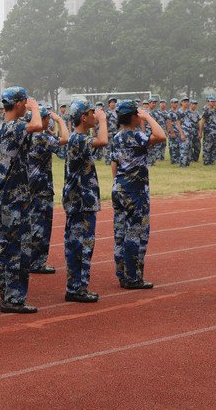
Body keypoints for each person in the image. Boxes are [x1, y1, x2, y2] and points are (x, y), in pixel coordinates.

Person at [0, 87, 43, 314]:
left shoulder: (3, 127)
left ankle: (8, 295)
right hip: (12, 199)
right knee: (17, 251)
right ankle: (13, 299)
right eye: (25, 102)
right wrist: (35, 109)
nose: (28, 105)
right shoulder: (14, 127)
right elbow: (37, 126)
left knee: (8, 249)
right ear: (18, 104)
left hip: (7, 197)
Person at [111, 100, 165, 289]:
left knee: (120, 233)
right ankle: (133, 277)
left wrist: (119, 183)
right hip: (135, 191)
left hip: (119, 187)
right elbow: (160, 135)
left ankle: (122, 274)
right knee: (136, 233)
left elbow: (114, 164)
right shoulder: (135, 135)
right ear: (133, 117)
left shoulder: (117, 136)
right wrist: (148, 116)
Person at [62, 100, 107, 303]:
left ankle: (77, 287)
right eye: (91, 113)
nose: (94, 116)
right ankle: (76, 289)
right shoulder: (79, 139)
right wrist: (103, 120)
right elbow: (103, 141)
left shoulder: (78, 139)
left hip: (79, 200)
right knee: (81, 245)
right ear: (83, 117)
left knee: (77, 244)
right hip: (81, 201)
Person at [27, 106, 69, 274]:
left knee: (31, 223)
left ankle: (31, 260)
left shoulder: (28, 135)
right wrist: (60, 120)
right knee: (41, 225)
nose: (48, 120)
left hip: (29, 184)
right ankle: (36, 262)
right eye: (47, 118)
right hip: (41, 187)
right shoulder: (41, 137)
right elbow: (65, 139)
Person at [104, 98, 118, 165]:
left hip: (116, 132)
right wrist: (106, 132)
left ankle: (115, 159)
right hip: (110, 132)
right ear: (109, 103)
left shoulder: (117, 111)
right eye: (111, 102)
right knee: (108, 147)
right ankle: (107, 160)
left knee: (116, 146)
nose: (113, 104)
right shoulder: (107, 112)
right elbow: (105, 122)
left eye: (114, 102)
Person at [167, 98, 180, 165]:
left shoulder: (179, 112)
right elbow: (168, 123)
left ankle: (177, 159)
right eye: (174, 102)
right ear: (171, 104)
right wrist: (172, 133)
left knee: (178, 146)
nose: (175, 104)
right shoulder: (170, 113)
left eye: (176, 102)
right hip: (173, 132)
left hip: (179, 132)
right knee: (172, 146)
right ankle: (173, 160)